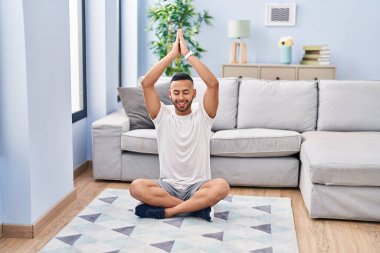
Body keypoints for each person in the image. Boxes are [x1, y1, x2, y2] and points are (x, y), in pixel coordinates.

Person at [129, 29, 230, 222]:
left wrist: (187, 54)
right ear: (169, 95)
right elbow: (147, 83)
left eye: (186, 92)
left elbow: (213, 84)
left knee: (222, 186)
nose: (181, 97)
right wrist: (172, 54)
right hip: (168, 186)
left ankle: (168, 211)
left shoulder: (204, 114)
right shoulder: (161, 115)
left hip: (199, 186)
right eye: (176, 93)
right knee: (136, 187)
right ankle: (195, 209)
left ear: (193, 94)